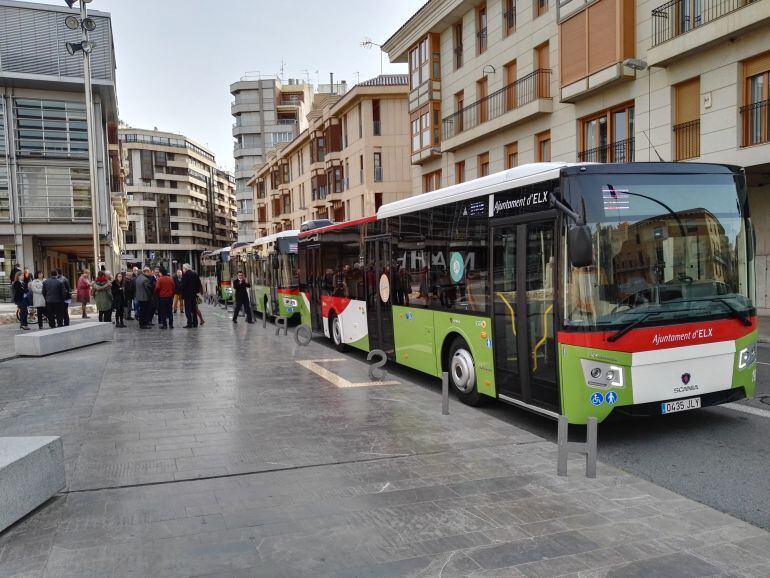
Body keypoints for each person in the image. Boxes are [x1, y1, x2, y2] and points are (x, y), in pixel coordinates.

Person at [180, 263, 202, 328]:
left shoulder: (185, 275)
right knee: (194, 309)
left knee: (187, 310)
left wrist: (182, 292)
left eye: (183, 268)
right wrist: (196, 291)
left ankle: (189, 323)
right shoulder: (195, 274)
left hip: (187, 296)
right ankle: (195, 323)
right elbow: (199, 284)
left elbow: (183, 285)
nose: (182, 270)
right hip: (193, 295)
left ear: (185, 268)